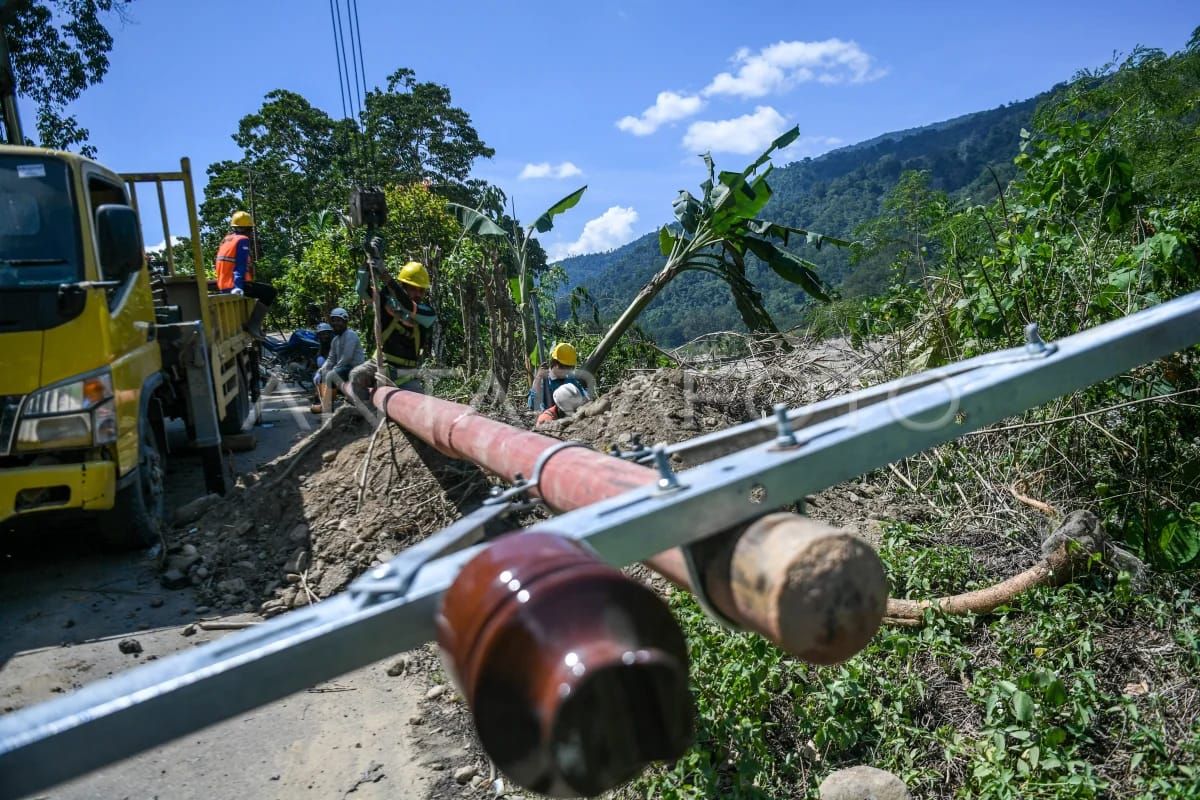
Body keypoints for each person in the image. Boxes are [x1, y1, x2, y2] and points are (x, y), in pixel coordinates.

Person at [351, 260, 436, 396]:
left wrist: (386, 277)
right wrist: (367, 264)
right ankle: (365, 414)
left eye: (421, 290)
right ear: (403, 287)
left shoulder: (427, 313)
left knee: (420, 408)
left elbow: (408, 306)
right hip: (379, 365)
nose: (418, 294)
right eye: (413, 289)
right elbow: (362, 291)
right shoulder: (386, 301)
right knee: (357, 376)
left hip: (406, 374)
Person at [214, 211, 277, 339]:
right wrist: (238, 286)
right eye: (250, 229)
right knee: (270, 292)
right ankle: (253, 325)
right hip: (235, 285)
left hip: (223, 284)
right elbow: (240, 265)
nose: (251, 233)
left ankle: (255, 326)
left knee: (261, 290)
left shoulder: (226, 239)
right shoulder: (243, 240)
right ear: (247, 228)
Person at [311, 308, 365, 415]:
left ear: (345, 321)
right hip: (344, 368)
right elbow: (331, 359)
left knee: (331, 375)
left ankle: (327, 406)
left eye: (338, 320)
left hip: (355, 368)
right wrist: (321, 371)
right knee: (323, 374)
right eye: (334, 320)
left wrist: (332, 371)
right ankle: (322, 402)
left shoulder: (350, 335)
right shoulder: (336, 340)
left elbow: (347, 358)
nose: (336, 323)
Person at [528, 342, 589, 413]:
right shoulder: (544, 380)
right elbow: (532, 404)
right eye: (565, 369)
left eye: (570, 369)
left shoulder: (570, 379)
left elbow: (583, 395)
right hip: (549, 420)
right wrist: (538, 378)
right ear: (556, 364)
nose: (567, 372)